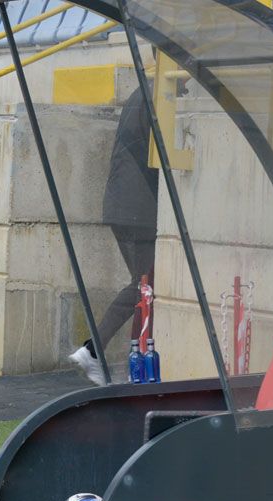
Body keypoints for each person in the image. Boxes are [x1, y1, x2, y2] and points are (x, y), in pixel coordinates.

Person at [67, 85, 158, 385]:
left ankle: (97, 350)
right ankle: (94, 349)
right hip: (137, 206)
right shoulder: (159, 93)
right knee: (143, 284)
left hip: (123, 202)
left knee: (142, 284)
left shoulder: (141, 92)